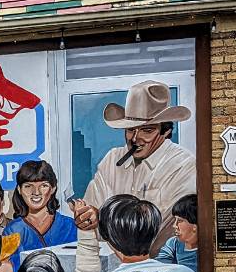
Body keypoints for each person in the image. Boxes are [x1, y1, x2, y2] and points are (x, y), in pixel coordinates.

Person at [74, 80, 196, 255]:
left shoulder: (183, 165)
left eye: (147, 130)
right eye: (131, 129)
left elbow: (153, 235)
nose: (135, 139)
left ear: (166, 131)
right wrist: (89, 217)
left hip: (159, 266)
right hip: (113, 265)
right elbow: (92, 215)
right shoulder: (112, 159)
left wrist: (102, 221)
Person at [4, 160, 77, 269]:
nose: (36, 192)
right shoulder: (12, 230)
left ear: (53, 189)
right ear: (19, 189)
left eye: (43, 185)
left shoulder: (69, 225)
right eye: (28, 186)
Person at [157, 194, 198, 272]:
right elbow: (161, 265)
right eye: (175, 220)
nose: (174, 225)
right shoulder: (174, 243)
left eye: (179, 221)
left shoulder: (207, 248)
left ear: (194, 226)